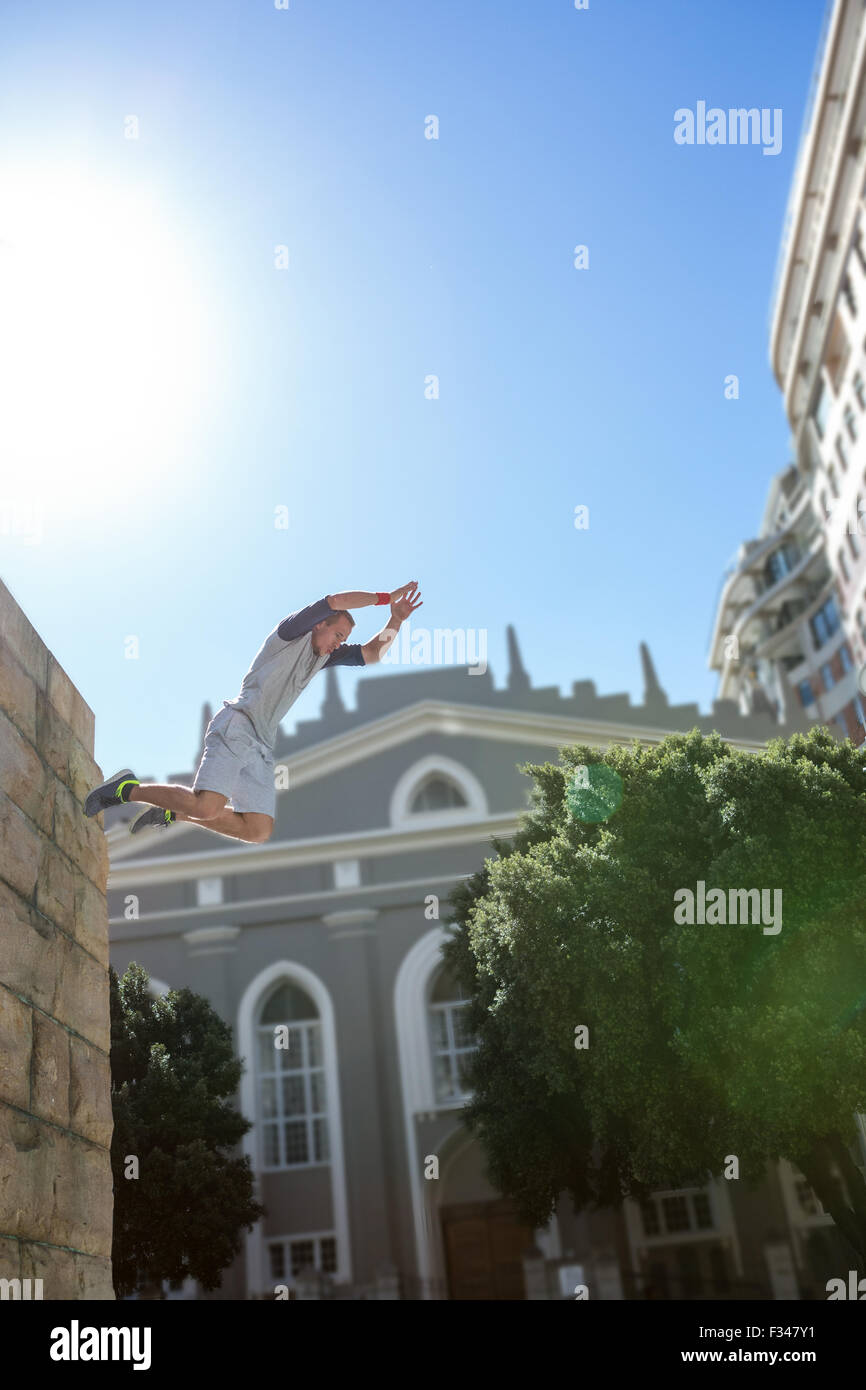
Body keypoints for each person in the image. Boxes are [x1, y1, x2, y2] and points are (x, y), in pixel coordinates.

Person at [85, 582, 423, 843]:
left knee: (257, 831)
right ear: (319, 624)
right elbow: (336, 600)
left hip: (261, 744)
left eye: (344, 638)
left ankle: (176, 814)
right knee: (207, 805)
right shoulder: (290, 634)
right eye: (337, 634)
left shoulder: (324, 657)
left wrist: (395, 619)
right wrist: (385, 598)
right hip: (238, 726)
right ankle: (125, 790)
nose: (340, 642)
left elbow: (372, 654)